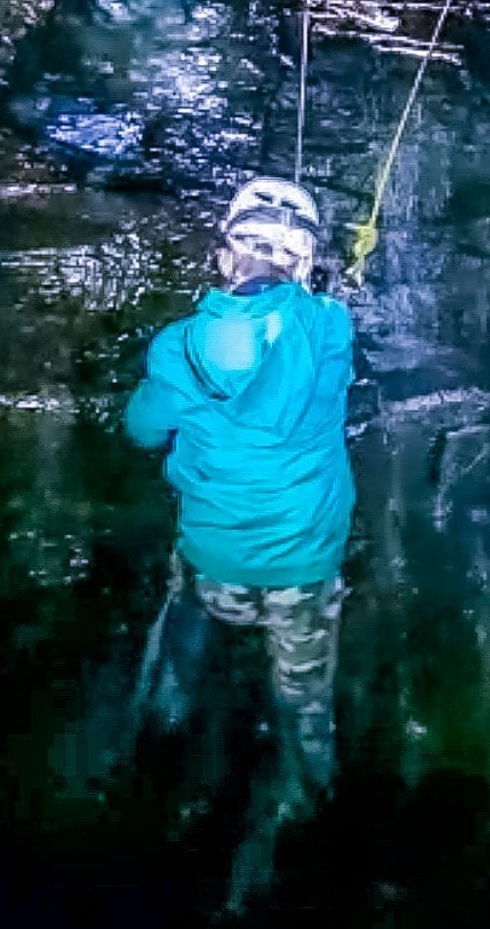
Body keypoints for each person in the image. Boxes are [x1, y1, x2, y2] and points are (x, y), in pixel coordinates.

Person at [123, 177, 356, 800]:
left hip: (212, 563)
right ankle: (312, 799)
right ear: (303, 264)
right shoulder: (332, 326)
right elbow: (314, 322)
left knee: (185, 622)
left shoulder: (176, 348)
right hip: (302, 573)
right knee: (305, 699)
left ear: (226, 256)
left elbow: (143, 431)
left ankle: (157, 740)